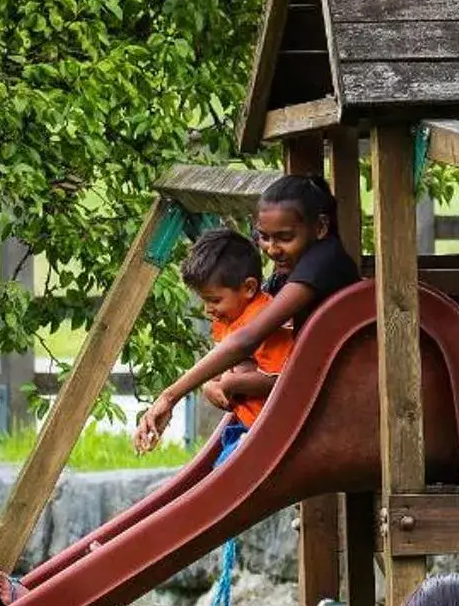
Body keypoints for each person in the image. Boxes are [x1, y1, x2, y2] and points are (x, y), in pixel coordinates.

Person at [135, 174, 359, 451]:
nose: (272, 249)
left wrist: (170, 396)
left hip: (334, 403)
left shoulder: (322, 262)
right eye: (263, 237)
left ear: (320, 226)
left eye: (285, 238)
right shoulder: (295, 260)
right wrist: (214, 382)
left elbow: (247, 339)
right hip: (306, 394)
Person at [179, 225, 293, 430]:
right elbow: (219, 365)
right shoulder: (227, 318)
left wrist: (231, 383)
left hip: (272, 430)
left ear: (249, 288)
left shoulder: (266, 320)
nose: (208, 310)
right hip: (246, 422)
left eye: (214, 300)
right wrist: (209, 385)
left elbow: (281, 381)